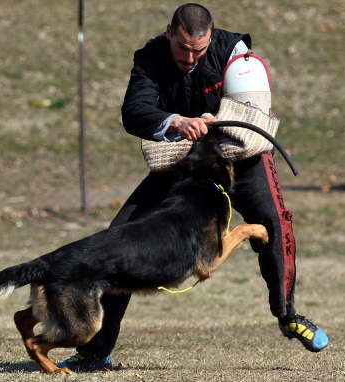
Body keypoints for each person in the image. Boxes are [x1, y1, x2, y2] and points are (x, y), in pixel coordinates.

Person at [58, 3, 329, 372]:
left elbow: (253, 111)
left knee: (275, 223)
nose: (189, 57)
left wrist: (215, 121)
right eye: (182, 48)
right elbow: (133, 111)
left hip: (243, 162)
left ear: (211, 39)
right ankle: (94, 351)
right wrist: (175, 120)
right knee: (120, 237)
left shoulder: (234, 53)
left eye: (197, 51)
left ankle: (287, 313)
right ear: (170, 32)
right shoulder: (152, 57)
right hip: (185, 165)